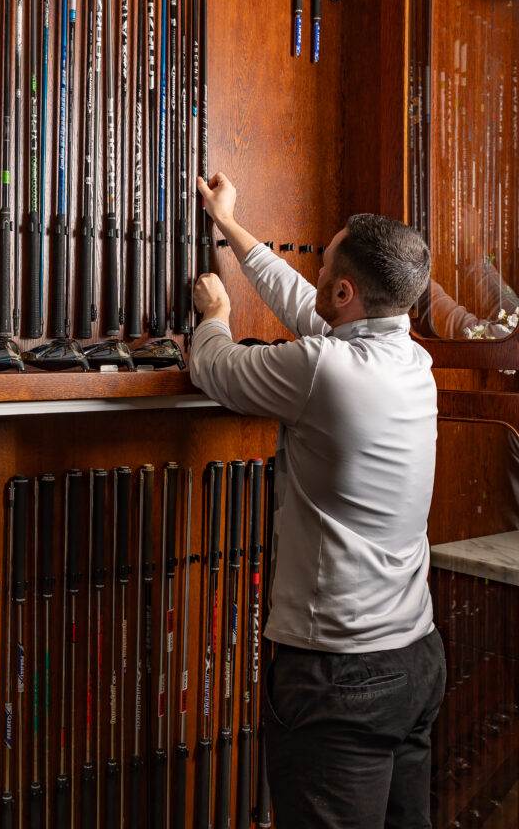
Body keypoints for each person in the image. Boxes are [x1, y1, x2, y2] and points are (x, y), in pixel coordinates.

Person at [190, 171, 446, 829]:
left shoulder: (323, 370)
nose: (318, 273)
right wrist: (229, 224)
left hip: (340, 679)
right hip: (415, 660)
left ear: (345, 291)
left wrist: (214, 317)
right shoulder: (411, 361)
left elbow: (214, 367)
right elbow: (310, 306)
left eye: (325, 265)